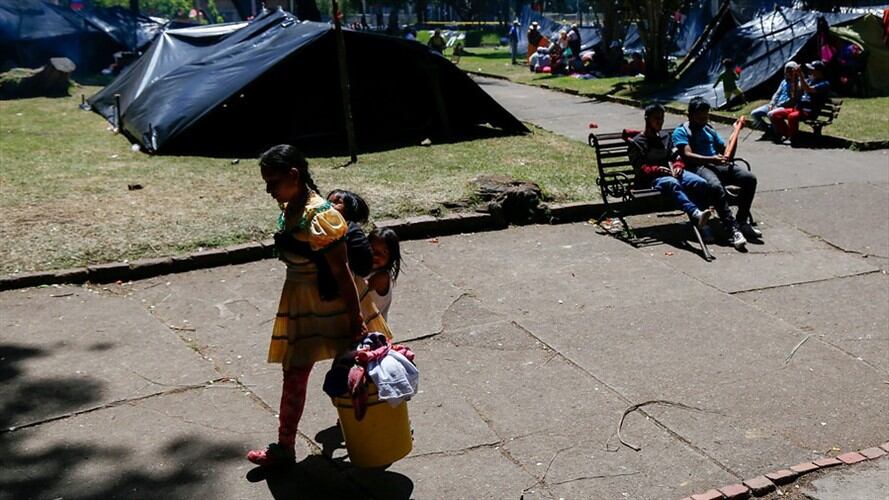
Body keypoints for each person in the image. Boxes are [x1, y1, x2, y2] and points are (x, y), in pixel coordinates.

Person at [248, 145, 390, 467]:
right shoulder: (292, 207)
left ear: (294, 176)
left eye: (273, 182)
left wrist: (356, 321)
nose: (268, 190)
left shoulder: (320, 215)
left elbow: (342, 273)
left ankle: (376, 433)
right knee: (294, 374)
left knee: (362, 370)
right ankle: (285, 447)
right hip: (301, 303)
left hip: (337, 305)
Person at [673, 97, 761, 249]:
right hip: (698, 167)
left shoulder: (709, 130)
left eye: (706, 115)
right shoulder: (681, 131)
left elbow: (727, 154)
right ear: (690, 115)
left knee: (749, 179)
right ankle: (732, 228)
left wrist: (736, 132)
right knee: (715, 186)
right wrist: (711, 158)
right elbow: (687, 155)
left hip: (717, 164)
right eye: (700, 116)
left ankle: (742, 221)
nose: (704, 119)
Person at [628, 104, 715, 230]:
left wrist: (678, 166)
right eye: (656, 118)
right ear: (647, 119)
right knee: (672, 183)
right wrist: (657, 169)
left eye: (662, 118)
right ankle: (696, 214)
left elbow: (676, 156)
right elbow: (640, 169)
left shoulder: (665, 137)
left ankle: (702, 223)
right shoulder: (637, 142)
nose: (660, 122)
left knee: (700, 182)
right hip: (651, 180)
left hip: (670, 173)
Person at [770, 60, 830, 145]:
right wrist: (795, 76)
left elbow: (808, 89)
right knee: (774, 114)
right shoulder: (809, 80)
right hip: (798, 108)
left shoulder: (824, 84)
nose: (810, 71)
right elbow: (797, 90)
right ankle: (787, 134)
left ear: (818, 72)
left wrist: (800, 76)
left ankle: (793, 138)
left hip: (809, 111)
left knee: (792, 116)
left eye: (812, 70)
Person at [327, 189, 373, 278]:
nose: (329, 205)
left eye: (337, 202)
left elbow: (364, 267)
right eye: (328, 202)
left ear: (349, 210)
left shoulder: (352, 232)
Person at [750, 61, 799, 132]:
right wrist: (772, 103)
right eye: (786, 71)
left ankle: (780, 132)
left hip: (785, 107)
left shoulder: (797, 84)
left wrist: (778, 106)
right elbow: (777, 94)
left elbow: (792, 99)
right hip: (775, 105)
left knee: (772, 114)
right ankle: (768, 130)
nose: (788, 73)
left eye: (790, 71)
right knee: (754, 113)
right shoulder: (783, 82)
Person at [365, 228, 402, 321]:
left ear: (392, 256)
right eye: (372, 249)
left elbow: (360, 289)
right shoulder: (367, 270)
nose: (376, 255)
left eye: (384, 252)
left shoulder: (382, 277)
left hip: (374, 330)